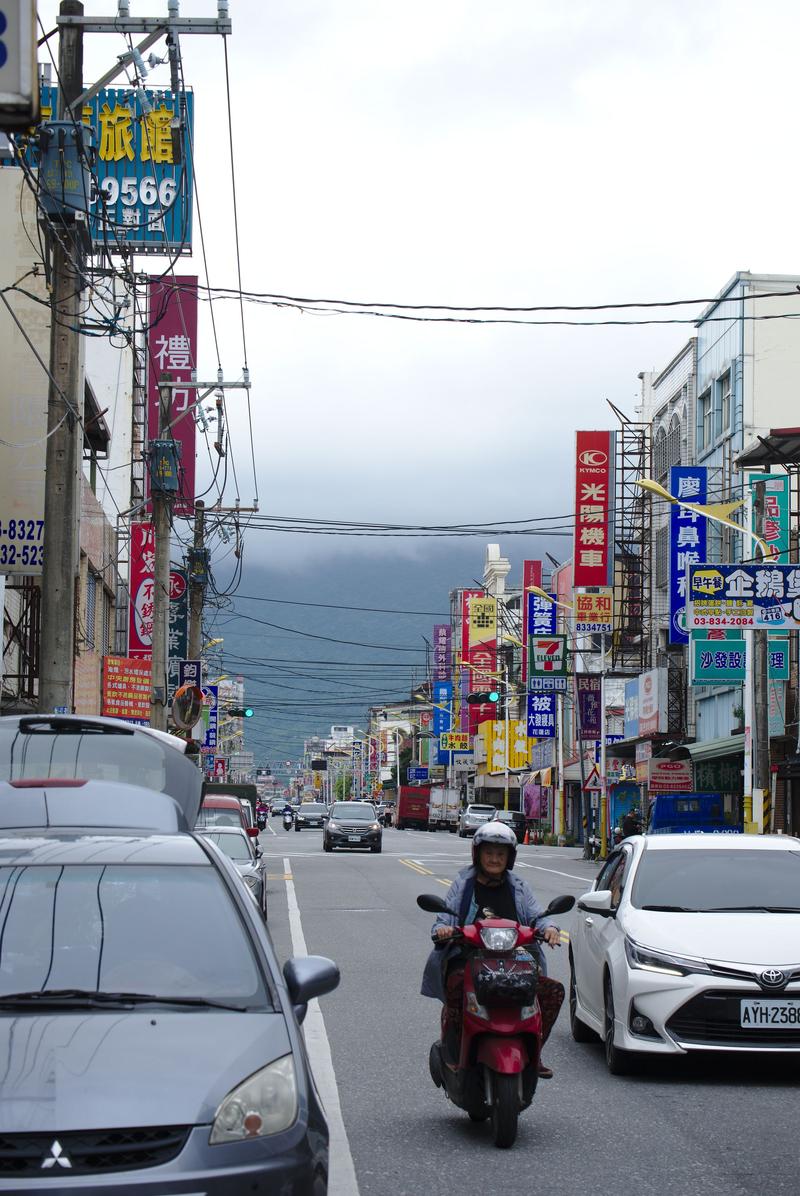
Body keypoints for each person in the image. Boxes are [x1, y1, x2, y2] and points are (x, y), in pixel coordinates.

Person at [420, 821, 565, 1079]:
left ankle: (534, 1051)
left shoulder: (519, 886)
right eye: (489, 853)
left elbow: (537, 916)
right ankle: (453, 1050)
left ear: (509, 858)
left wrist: (550, 928)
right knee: (455, 986)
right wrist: (443, 931)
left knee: (552, 991)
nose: (494, 859)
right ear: (478, 854)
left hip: (516, 960)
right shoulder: (463, 884)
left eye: (501, 854)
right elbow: (444, 919)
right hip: (469, 956)